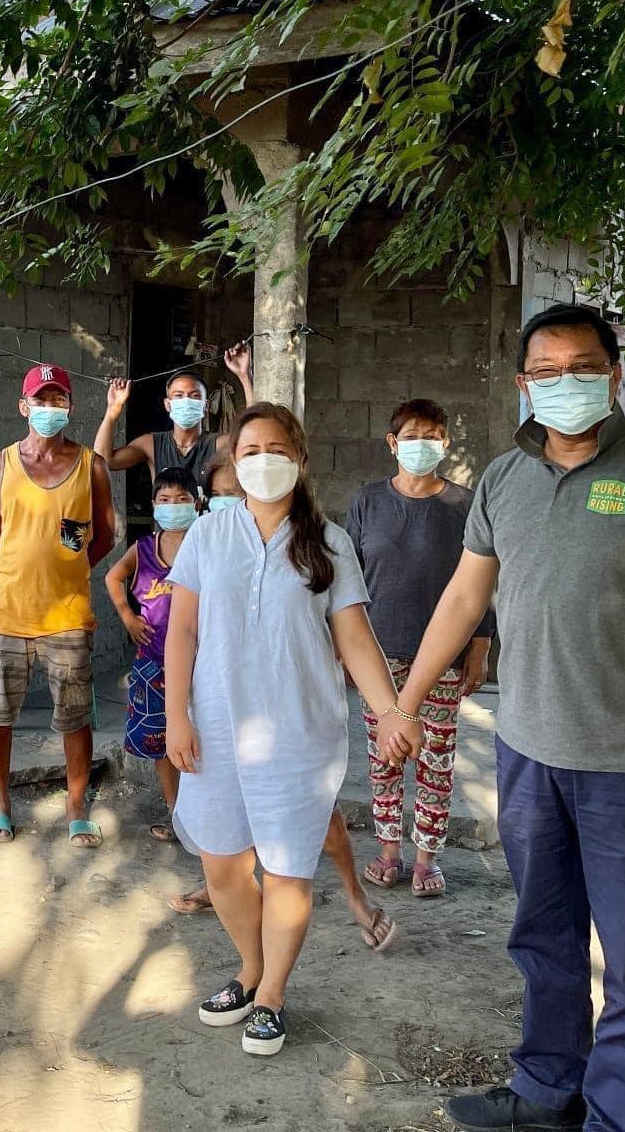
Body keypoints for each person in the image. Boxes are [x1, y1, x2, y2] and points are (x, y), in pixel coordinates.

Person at [384, 304, 625, 1132]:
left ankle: (615, 1116)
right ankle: (544, 1089)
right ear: (522, 386)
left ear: (614, 375)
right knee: (542, 940)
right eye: (547, 373)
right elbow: (466, 596)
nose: (565, 385)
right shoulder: (503, 479)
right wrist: (402, 701)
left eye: (583, 368)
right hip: (529, 755)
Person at [164, 403, 405, 1057]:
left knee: (288, 873)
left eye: (276, 447)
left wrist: (391, 712)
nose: (262, 459)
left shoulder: (329, 543)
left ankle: (271, 994)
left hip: (300, 734)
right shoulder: (208, 537)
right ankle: (250, 967)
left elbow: (355, 637)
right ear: (232, 463)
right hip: (214, 730)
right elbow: (181, 631)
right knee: (221, 869)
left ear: (299, 459)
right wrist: (177, 715)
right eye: (249, 450)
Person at [346, 398, 492, 900]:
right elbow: (348, 582)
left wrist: (480, 646)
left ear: (446, 443)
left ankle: (428, 858)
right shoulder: (367, 502)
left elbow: (479, 584)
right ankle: (388, 852)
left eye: (431, 436)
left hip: (443, 660)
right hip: (378, 656)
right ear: (392, 443)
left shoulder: (464, 505)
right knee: (384, 757)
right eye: (410, 437)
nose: (421, 445)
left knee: (436, 758)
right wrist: (345, 649)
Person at [0, 363, 116, 848]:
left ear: (71, 407)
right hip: (9, 614)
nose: (50, 408)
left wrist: (71, 570)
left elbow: (104, 535)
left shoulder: (90, 465)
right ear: (24, 407)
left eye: (58, 400)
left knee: (75, 716)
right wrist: (25, 569)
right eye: (42, 399)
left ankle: (77, 808)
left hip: (68, 616)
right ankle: (0, 805)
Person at [106, 465, 198, 839]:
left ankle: (202, 817)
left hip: (200, 665)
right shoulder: (143, 550)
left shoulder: (204, 544)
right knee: (163, 741)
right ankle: (177, 814)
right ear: (154, 505)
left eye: (182, 500)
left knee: (201, 738)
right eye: (164, 500)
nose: (173, 506)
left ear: (197, 503)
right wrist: (127, 615)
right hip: (154, 663)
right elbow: (114, 576)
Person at [93, 340, 255, 498]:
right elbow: (103, 461)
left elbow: (253, 437)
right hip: (166, 526)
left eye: (194, 396)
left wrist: (245, 377)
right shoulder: (151, 444)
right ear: (168, 404)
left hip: (210, 525)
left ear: (206, 405)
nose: (186, 400)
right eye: (178, 396)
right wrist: (112, 411)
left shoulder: (218, 444)